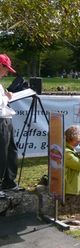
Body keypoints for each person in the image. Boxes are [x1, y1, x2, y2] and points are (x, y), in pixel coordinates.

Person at [0, 54, 21, 191]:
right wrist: (7, 97)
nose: (7, 72)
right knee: (1, 153)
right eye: (5, 69)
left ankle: (9, 181)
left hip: (6, 119)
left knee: (10, 151)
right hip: (1, 120)